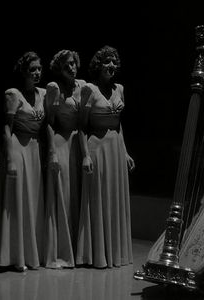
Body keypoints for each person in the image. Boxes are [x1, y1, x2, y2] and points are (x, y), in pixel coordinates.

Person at [76, 45, 135, 268]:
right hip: (97, 149)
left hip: (116, 149)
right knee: (98, 200)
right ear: (98, 65)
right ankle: (97, 254)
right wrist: (85, 156)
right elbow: (81, 126)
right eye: (107, 61)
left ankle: (116, 253)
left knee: (115, 199)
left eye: (114, 62)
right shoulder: (89, 89)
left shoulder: (120, 88)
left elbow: (119, 125)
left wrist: (125, 151)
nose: (111, 65)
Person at [0, 51, 46, 272]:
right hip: (17, 147)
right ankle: (16, 256)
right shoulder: (13, 94)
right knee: (17, 201)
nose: (37, 72)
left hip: (34, 148)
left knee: (32, 201)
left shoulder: (43, 93)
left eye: (39, 68)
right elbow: (6, 128)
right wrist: (9, 159)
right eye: (32, 69)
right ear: (24, 71)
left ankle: (33, 253)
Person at [43, 50, 86, 269]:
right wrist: (51, 151)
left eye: (73, 63)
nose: (72, 68)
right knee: (66, 196)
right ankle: (62, 251)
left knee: (80, 195)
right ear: (60, 69)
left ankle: (81, 251)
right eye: (67, 65)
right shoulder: (54, 88)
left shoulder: (83, 86)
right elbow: (49, 122)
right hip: (61, 143)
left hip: (79, 144)